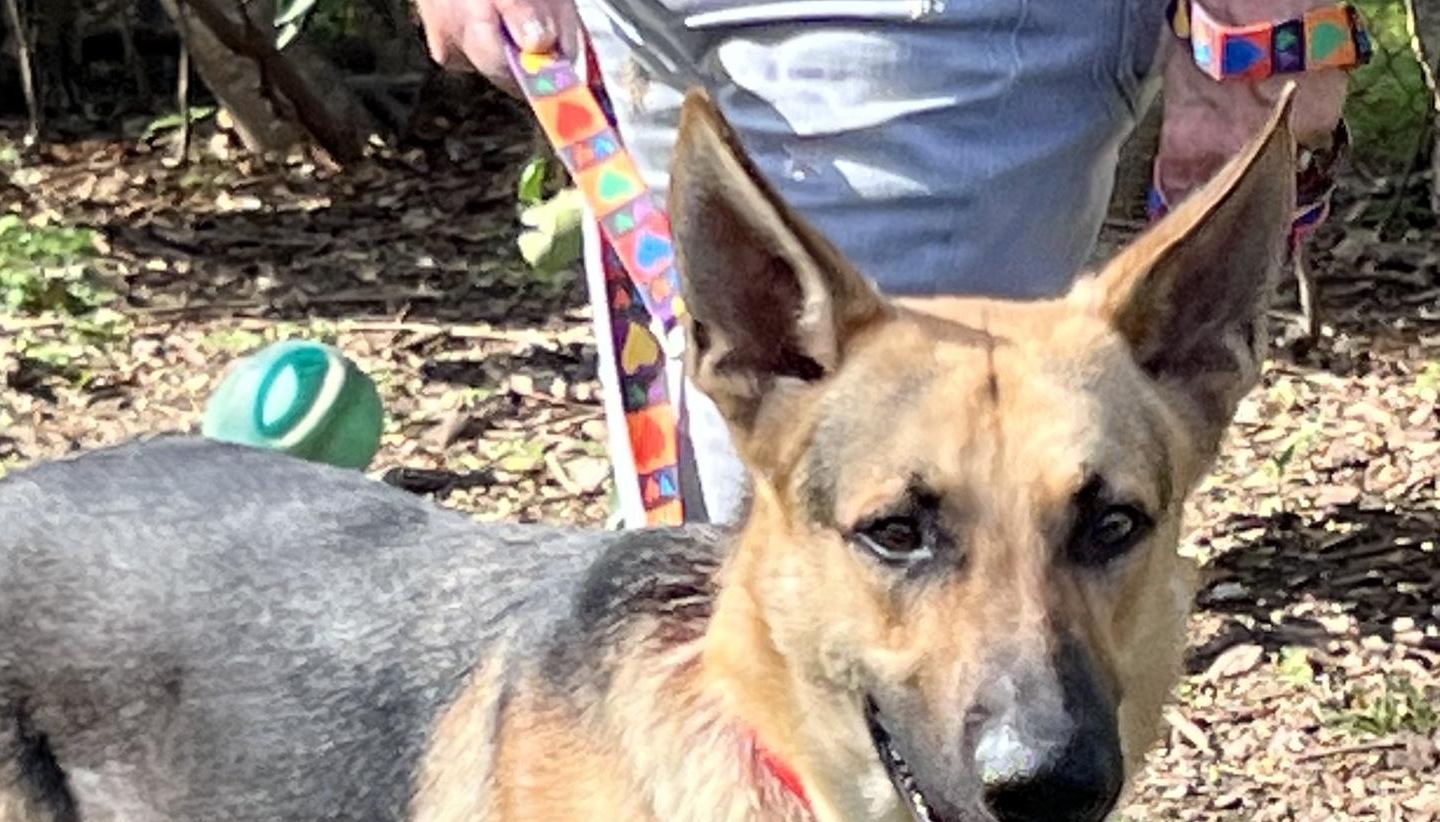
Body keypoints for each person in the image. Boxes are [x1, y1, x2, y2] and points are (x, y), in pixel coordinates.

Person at [414, 0, 1354, 527]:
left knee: (899, 568)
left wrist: (1264, 26)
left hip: (924, 27)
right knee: (713, 577)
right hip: (627, 18)